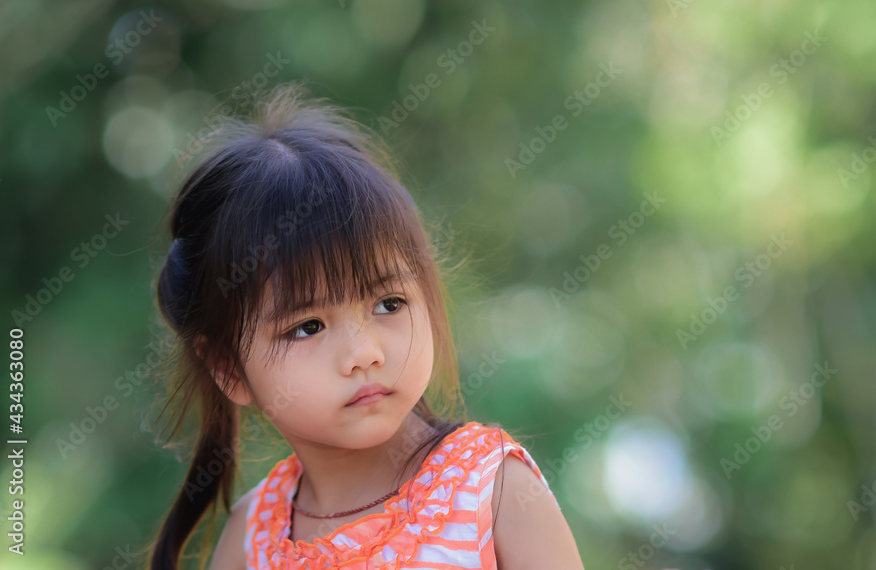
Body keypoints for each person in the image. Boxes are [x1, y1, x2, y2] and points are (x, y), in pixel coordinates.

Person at [145, 82, 586, 570]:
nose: (365, 352)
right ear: (228, 367)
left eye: (389, 302)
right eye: (308, 327)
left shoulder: (490, 491)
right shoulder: (249, 540)